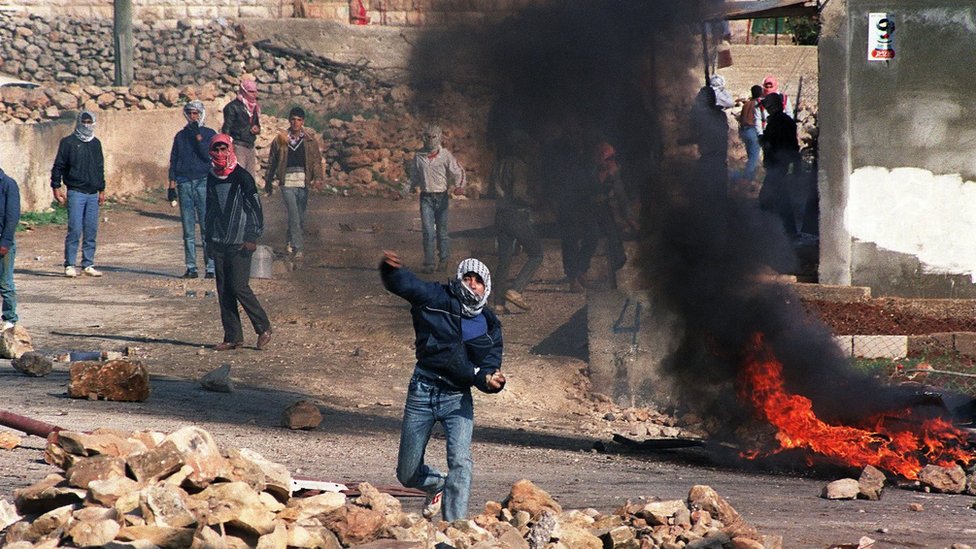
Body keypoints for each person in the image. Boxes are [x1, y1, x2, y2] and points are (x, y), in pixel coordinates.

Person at [380, 250, 505, 522]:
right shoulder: (437, 297)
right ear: (459, 278)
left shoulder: (489, 323)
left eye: (478, 281)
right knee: (407, 473)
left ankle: (454, 528)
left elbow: (488, 368)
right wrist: (391, 270)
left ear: (486, 287)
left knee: (461, 462)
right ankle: (436, 484)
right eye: (467, 277)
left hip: (457, 397)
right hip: (422, 390)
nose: (472, 284)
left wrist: (492, 382)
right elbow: (406, 285)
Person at [204, 134, 272, 351]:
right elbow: (210, 208)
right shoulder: (212, 177)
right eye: (217, 150)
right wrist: (208, 239)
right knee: (224, 289)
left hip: (241, 241)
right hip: (219, 240)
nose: (220, 154)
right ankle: (232, 337)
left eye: (224, 149)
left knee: (239, 286)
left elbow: (255, 208)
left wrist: (252, 237)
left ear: (230, 150)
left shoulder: (242, 177)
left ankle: (263, 328)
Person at [489, 130, 543, 313]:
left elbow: (491, 190)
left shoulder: (498, 165)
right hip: (516, 215)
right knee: (536, 254)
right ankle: (516, 290)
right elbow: (519, 194)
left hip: (500, 215)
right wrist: (535, 202)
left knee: (504, 260)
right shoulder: (519, 166)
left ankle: (498, 304)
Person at [264, 106, 324, 261]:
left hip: (303, 182)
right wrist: (268, 182)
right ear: (289, 120)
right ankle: (298, 248)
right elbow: (272, 162)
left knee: (300, 216)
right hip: (287, 182)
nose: (296, 123)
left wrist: (318, 178)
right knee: (294, 214)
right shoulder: (281, 139)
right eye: (293, 119)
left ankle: (290, 240)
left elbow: (316, 161)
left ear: (303, 121)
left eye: (299, 120)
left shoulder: (309, 140)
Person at [51, 110, 106, 278]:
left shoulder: (96, 143)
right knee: (75, 228)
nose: (87, 125)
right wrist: (56, 187)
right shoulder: (68, 142)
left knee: (91, 229)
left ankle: (88, 264)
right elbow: (58, 166)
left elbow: (99, 167)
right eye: (85, 122)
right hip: (75, 192)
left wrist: (102, 189)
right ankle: (69, 264)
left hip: (92, 193)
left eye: (90, 122)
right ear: (79, 122)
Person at [406, 124, 466, 274]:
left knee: (442, 231)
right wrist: (403, 191)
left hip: (442, 197)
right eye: (427, 136)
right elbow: (413, 177)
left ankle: (444, 259)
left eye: (433, 137)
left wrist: (459, 186)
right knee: (427, 231)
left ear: (439, 137)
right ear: (423, 137)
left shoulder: (445, 155)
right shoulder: (419, 156)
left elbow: (458, 171)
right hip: (426, 197)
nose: (430, 140)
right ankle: (429, 263)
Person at [168, 100, 217, 279]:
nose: (193, 116)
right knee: (188, 230)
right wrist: (172, 185)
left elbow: (208, 156)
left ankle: (210, 267)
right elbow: (174, 160)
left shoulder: (209, 134)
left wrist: (198, 137)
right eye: (190, 113)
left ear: (201, 114)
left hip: (203, 182)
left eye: (196, 113)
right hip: (184, 183)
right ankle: (191, 267)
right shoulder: (180, 136)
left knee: (206, 227)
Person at [575, 141, 632, 290]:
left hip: (603, 210)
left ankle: (614, 272)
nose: (610, 162)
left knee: (614, 238)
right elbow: (578, 192)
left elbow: (621, 196)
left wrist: (628, 217)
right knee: (591, 237)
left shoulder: (612, 172)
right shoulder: (586, 171)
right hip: (587, 209)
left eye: (612, 158)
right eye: (607, 158)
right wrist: (591, 198)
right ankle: (580, 271)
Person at [759, 93, 800, 237]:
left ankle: (764, 230)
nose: (766, 109)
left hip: (777, 164)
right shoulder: (786, 120)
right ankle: (787, 230)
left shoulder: (776, 122)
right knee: (779, 197)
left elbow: (772, 143)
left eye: (767, 106)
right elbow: (793, 145)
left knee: (768, 199)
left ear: (773, 106)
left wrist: (763, 140)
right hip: (781, 163)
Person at [690, 86, 729, 200]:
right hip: (717, 159)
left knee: (707, 194)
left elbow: (702, 133)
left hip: (711, 158)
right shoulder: (719, 114)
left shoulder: (712, 116)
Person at [221, 79, 261, 177]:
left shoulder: (254, 107)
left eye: (255, 91)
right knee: (238, 176)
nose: (254, 94)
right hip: (237, 146)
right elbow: (227, 128)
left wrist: (256, 129)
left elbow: (256, 124)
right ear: (244, 91)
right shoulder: (232, 107)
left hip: (250, 145)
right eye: (251, 91)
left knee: (249, 177)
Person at [0, 167, 19, 332]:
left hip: (2, 241)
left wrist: (5, 242)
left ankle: (10, 319)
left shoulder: (8, 184)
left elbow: (12, 216)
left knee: (5, 283)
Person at [738, 85, 764, 182]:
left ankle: (751, 179)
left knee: (750, 155)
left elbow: (740, 119)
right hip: (753, 130)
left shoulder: (746, 104)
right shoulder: (758, 104)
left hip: (744, 130)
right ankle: (746, 179)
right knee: (754, 157)